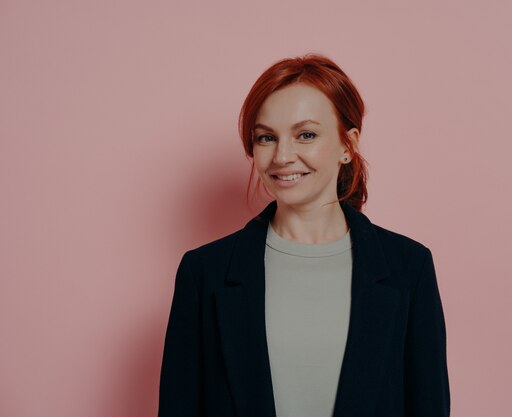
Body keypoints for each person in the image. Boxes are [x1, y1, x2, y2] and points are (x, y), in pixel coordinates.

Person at [157, 53, 450, 417]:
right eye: (266, 137)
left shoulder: (409, 267)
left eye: (306, 134)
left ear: (348, 145)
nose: (282, 155)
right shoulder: (204, 272)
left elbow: (428, 405)